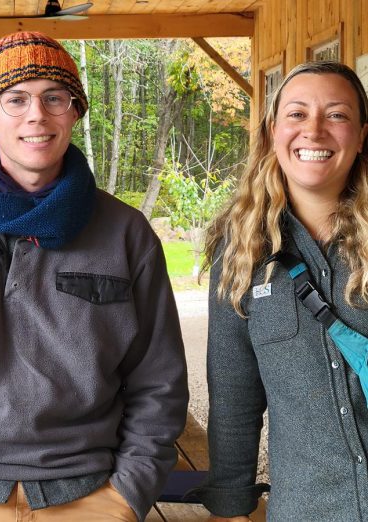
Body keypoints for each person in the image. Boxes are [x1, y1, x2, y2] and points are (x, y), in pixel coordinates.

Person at [0, 31, 188, 522]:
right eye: (15, 99)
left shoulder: (126, 234)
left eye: (54, 98)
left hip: (92, 492)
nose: (36, 116)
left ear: (76, 111)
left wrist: (129, 492)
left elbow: (159, 380)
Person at [197, 61, 368, 521]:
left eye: (336, 115)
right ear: (274, 130)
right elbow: (234, 395)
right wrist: (231, 507)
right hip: (307, 510)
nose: (313, 130)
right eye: (296, 114)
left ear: (361, 134)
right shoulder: (240, 254)